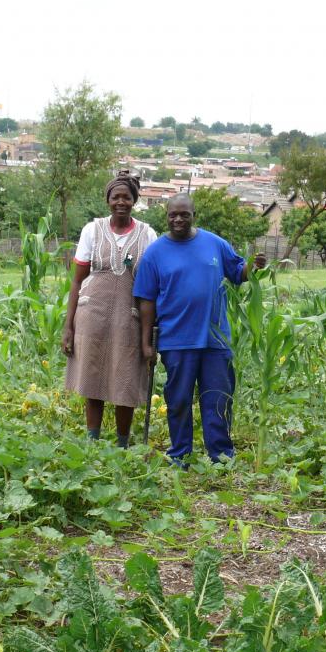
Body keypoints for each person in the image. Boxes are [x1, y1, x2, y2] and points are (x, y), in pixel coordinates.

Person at [132, 193, 265, 464]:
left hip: (215, 339)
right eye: (173, 215)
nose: (178, 219)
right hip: (176, 340)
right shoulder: (155, 253)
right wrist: (146, 343)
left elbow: (237, 272)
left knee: (218, 398)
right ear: (166, 216)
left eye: (184, 214)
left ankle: (221, 455)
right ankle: (180, 453)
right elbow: (146, 301)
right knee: (178, 399)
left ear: (194, 215)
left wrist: (253, 267)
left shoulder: (214, 243)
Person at [61, 171, 157, 447]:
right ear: (108, 200)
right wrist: (68, 326)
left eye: (127, 197)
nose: (121, 202)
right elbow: (77, 280)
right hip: (92, 315)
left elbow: (152, 284)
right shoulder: (93, 230)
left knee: (125, 379)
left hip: (130, 317)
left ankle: (122, 444)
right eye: (116, 197)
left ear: (134, 200)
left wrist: (150, 333)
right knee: (93, 377)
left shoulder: (147, 234)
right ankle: (92, 442)